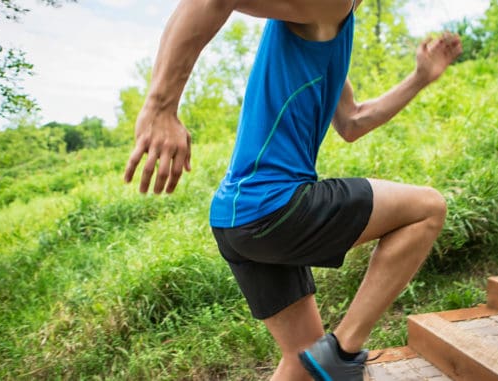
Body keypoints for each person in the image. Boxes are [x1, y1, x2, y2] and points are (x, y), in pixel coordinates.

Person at [123, 0, 462, 379]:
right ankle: (342, 352)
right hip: (274, 206)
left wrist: (420, 78)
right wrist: (160, 107)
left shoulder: (329, 22)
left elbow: (352, 122)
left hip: (236, 219)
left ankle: (328, 358)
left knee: (302, 358)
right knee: (428, 208)